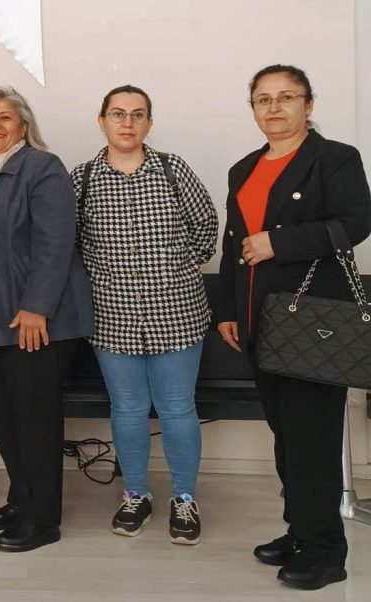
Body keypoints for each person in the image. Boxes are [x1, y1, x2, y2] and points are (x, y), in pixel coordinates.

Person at [215, 64, 370, 590]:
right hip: (261, 323)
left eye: (286, 97)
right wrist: (227, 309)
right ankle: (300, 531)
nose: (274, 107)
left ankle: (326, 552)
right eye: (263, 99)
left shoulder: (335, 159)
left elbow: (356, 223)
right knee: (287, 437)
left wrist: (278, 243)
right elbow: (233, 244)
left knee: (313, 441)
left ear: (308, 104)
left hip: (311, 327)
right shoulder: (243, 168)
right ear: (253, 108)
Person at [0, 85, 93, 553]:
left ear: (23, 126)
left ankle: (42, 519)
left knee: (34, 418)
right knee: (2, 415)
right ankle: (22, 498)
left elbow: (55, 242)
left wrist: (36, 307)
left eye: (4, 118)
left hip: (32, 317)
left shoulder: (41, 168)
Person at [72, 85, 218, 544]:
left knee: (178, 408)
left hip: (177, 313)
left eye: (138, 114)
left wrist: (174, 272)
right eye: (118, 114)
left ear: (149, 123)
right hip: (112, 317)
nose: (128, 122)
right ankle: (135, 494)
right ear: (102, 121)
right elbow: (69, 243)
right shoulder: (83, 179)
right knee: (128, 409)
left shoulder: (174, 170)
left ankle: (184, 499)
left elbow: (206, 227)